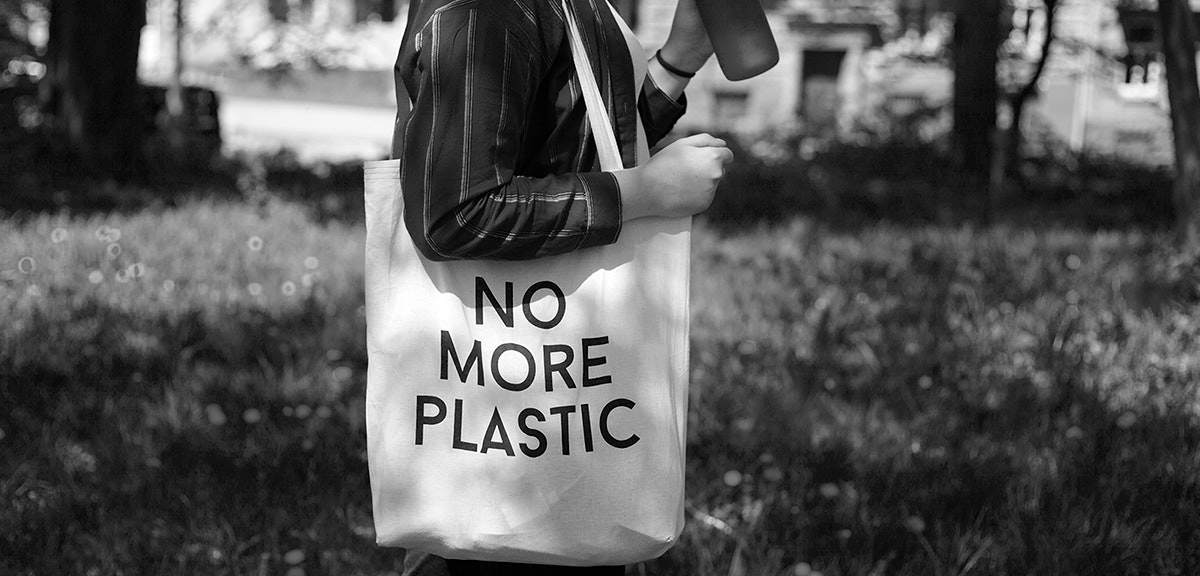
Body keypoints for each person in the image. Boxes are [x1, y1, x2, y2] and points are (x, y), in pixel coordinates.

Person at [389, 0, 729, 572]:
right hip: (510, 425)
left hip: (542, 413)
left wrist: (676, 63)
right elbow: (456, 212)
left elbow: (568, 140)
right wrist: (642, 194)